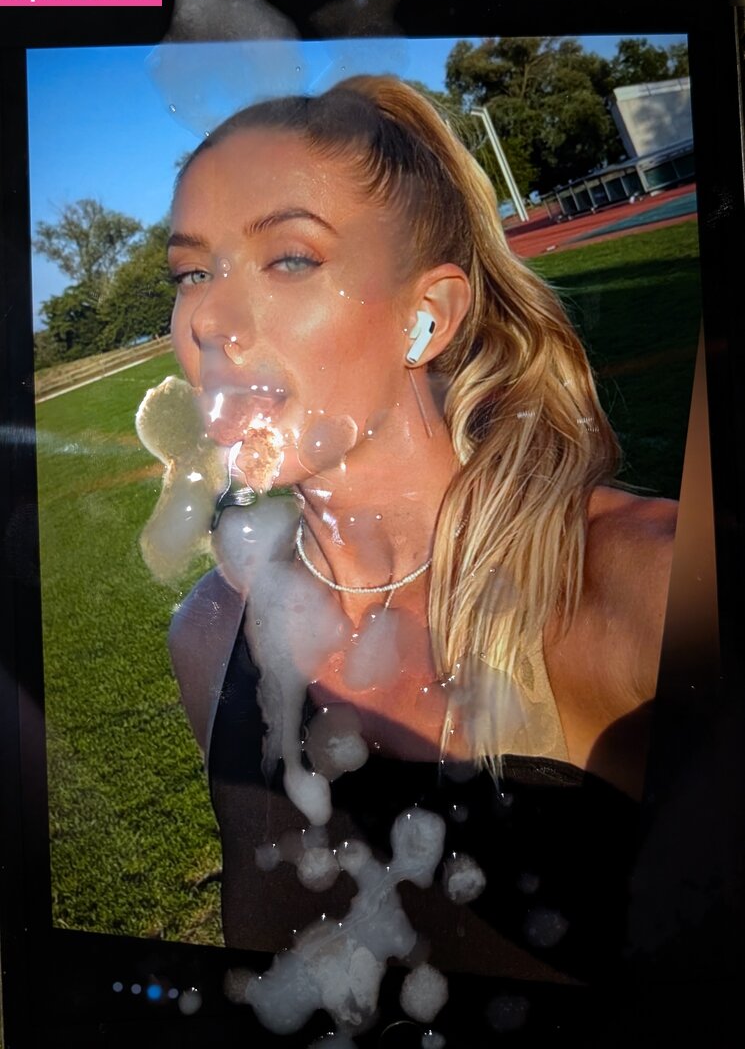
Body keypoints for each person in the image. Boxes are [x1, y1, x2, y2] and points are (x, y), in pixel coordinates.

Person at [148, 74, 676, 1045]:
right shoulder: (210, 636)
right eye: (191, 273)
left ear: (425, 315)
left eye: (289, 258)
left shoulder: (643, 592)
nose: (208, 320)